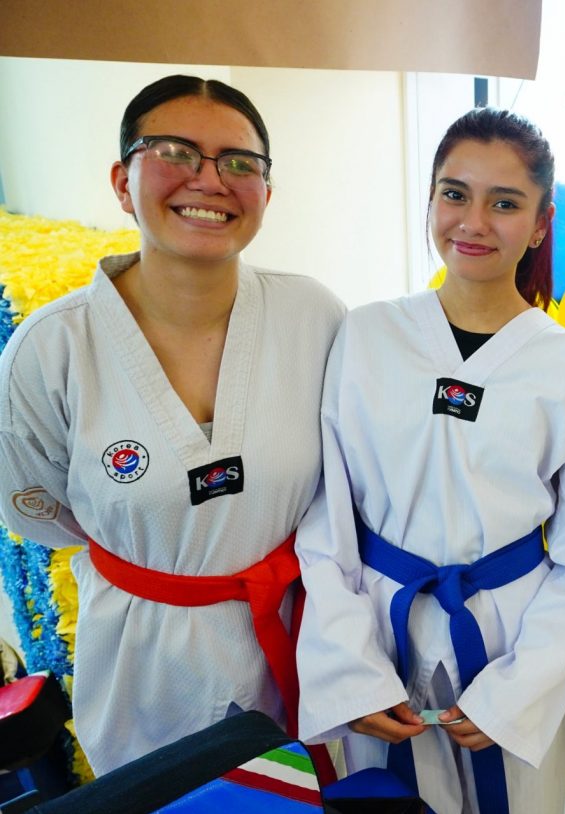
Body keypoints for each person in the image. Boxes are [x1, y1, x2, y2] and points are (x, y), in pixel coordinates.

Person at [0, 75, 345, 775]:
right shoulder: (51, 349)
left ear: (266, 192)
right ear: (122, 182)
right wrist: (158, 540)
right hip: (143, 660)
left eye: (239, 162)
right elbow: (41, 509)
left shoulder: (315, 317)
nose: (209, 179)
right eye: (175, 152)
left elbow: (341, 481)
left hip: (291, 641)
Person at [294, 107, 565, 814]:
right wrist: (352, 669)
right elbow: (326, 519)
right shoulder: (368, 334)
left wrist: (519, 689)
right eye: (455, 194)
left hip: (510, 634)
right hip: (381, 627)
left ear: (541, 223)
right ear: (431, 199)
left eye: (505, 203)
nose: (473, 222)